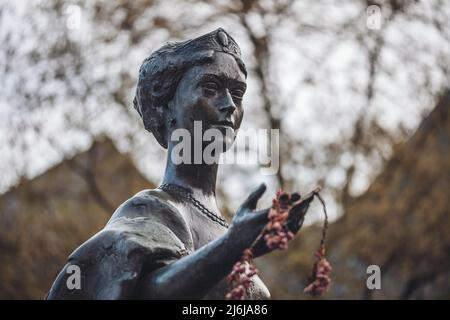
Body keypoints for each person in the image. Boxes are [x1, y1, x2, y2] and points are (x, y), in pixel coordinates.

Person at [46, 28, 312, 300]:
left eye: (238, 93)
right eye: (211, 88)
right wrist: (233, 245)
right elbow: (140, 293)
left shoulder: (228, 228)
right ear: (166, 107)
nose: (231, 104)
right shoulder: (151, 210)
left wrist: (238, 243)